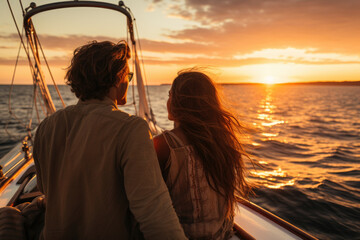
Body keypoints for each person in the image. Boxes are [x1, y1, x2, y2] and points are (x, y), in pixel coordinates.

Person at [33, 41, 187, 240]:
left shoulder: (47, 127)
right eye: (128, 76)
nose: (128, 82)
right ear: (117, 79)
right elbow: (154, 211)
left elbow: (45, 188)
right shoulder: (131, 129)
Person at [153, 70, 252, 239]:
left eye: (171, 95)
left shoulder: (164, 145)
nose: (168, 101)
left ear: (179, 102)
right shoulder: (223, 142)